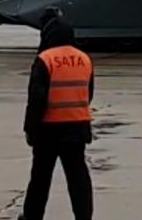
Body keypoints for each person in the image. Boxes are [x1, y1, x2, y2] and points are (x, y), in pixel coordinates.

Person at [19, 20, 94, 220]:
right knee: (78, 177)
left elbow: (37, 99)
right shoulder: (84, 59)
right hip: (78, 127)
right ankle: (84, 216)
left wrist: (30, 129)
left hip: (48, 129)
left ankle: (32, 216)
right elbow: (89, 93)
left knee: (40, 178)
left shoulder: (45, 59)